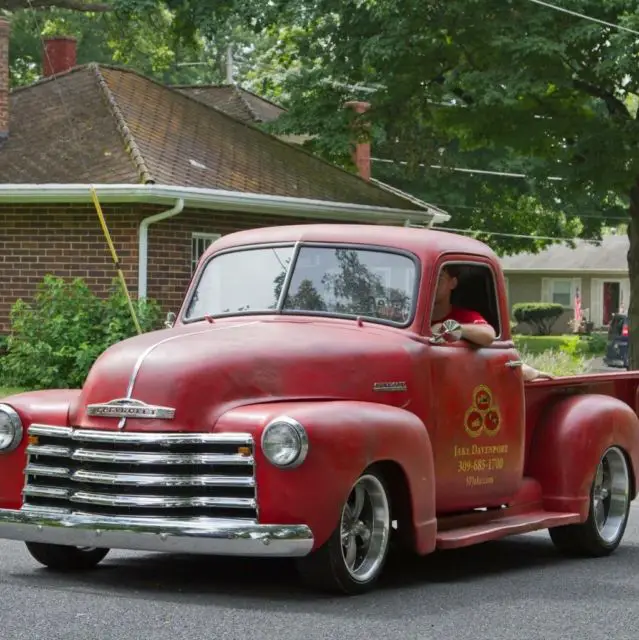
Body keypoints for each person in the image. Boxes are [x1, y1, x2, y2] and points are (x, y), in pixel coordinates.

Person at [430, 265, 553, 382]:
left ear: (453, 282)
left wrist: (450, 328)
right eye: (428, 278)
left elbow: (488, 334)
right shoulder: (410, 319)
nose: (432, 283)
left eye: (439, 278)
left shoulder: (465, 316)